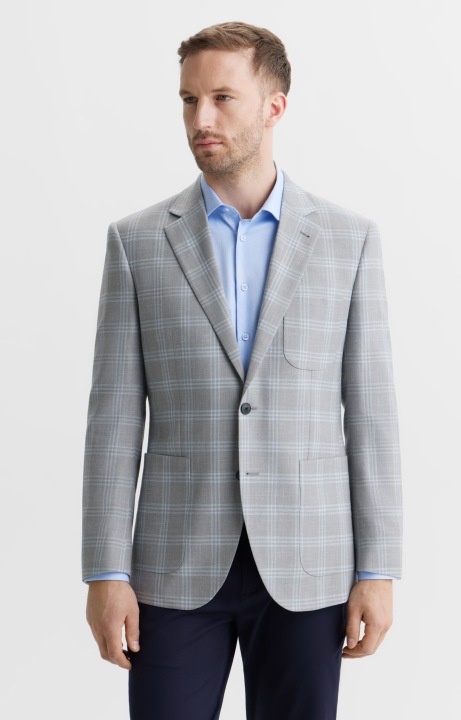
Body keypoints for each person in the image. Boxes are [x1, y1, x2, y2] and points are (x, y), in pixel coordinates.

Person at [82, 21, 403, 720]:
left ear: (274, 106)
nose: (201, 119)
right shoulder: (137, 242)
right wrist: (105, 570)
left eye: (222, 98)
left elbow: (371, 415)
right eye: (188, 100)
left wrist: (377, 569)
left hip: (309, 564)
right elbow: (113, 420)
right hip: (172, 565)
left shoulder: (347, 241)